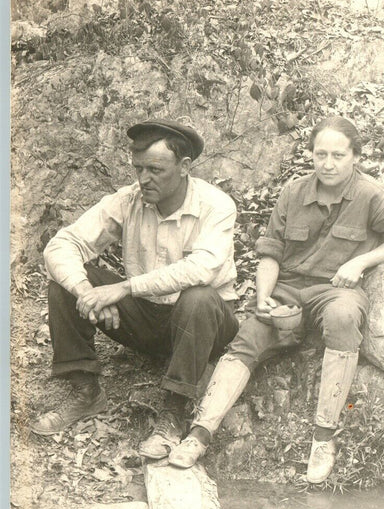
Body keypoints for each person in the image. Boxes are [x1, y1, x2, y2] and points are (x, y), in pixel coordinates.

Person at [169, 115, 384, 483]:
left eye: (338, 155)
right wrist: (264, 297)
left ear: (355, 156)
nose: (328, 164)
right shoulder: (294, 192)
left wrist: (361, 261)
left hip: (335, 290)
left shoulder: (370, 194)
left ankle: (323, 436)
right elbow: (270, 252)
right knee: (247, 339)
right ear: (311, 155)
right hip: (287, 289)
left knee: (344, 316)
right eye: (321, 154)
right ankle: (200, 433)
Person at [30, 119, 239, 459]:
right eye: (138, 169)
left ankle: (173, 413)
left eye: (156, 170)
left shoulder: (216, 205)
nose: (144, 179)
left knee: (198, 296)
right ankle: (85, 391)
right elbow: (61, 244)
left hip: (206, 325)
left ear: (185, 167)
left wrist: (124, 288)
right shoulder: (128, 200)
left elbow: (203, 267)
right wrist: (86, 291)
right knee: (64, 284)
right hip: (147, 318)